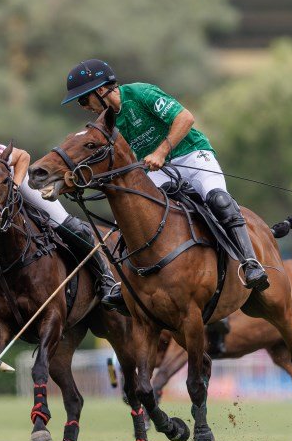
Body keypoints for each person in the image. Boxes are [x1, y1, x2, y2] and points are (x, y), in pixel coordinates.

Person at [62, 59, 268, 291]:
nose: (83, 106)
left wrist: (161, 152)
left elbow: (185, 118)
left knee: (218, 200)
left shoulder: (140, 93)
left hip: (192, 155)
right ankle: (126, 282)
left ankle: (250, 263)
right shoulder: (106, 122)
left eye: (83, 99)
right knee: (131, 218)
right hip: (157, 170)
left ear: (100, 90)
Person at [0, 139, 126, 312]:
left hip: (14, 188)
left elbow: (23, 156)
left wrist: (15, 185)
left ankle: (106, 281)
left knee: (70, 227)